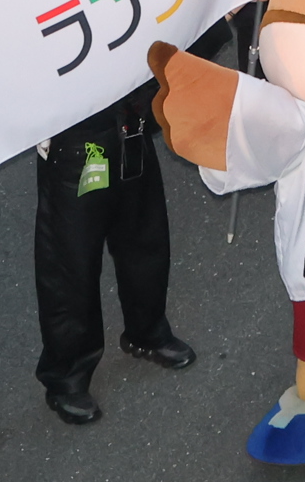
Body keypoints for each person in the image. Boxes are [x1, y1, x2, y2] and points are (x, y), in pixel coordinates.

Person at [30, 83, 191, 425]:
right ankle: (67, 374)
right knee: (70, 264)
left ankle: (147, 330)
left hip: (132, 119)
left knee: (145, 236)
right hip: (72, 137)